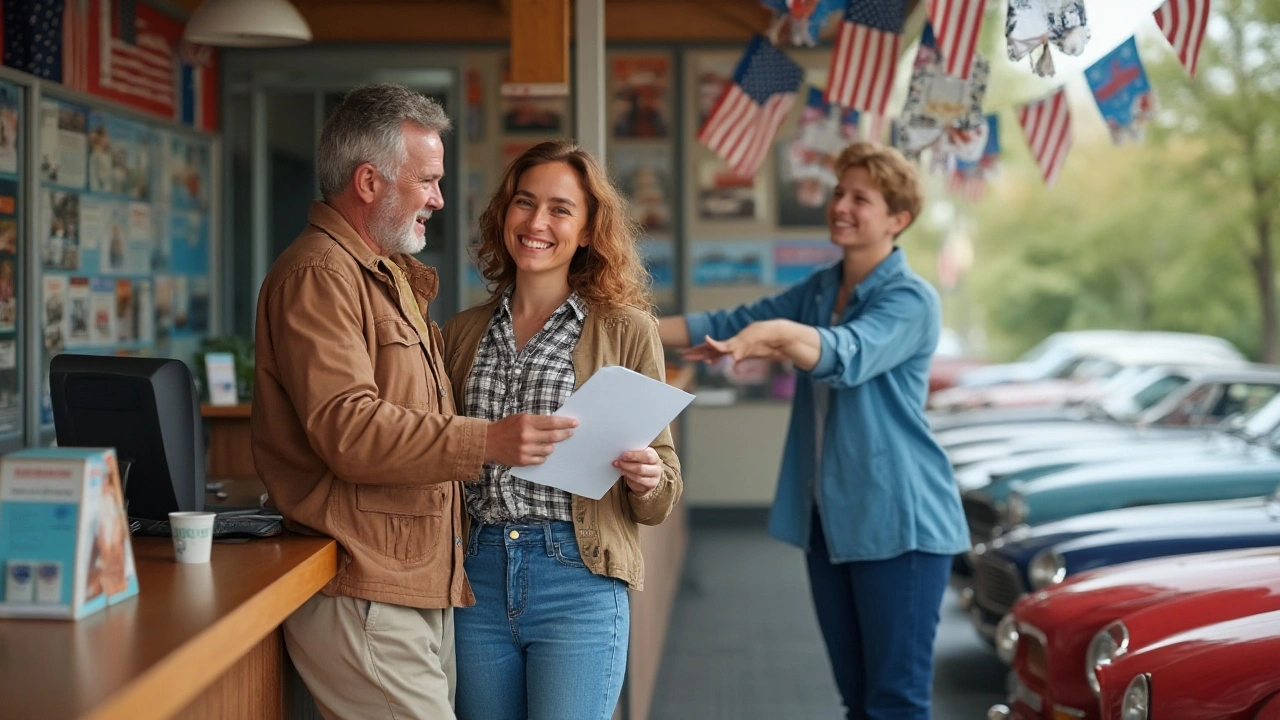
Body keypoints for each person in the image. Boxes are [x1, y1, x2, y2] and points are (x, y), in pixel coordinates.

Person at [251, 84, 578, 720]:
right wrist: (487, 441)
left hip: (409, 583)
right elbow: (347, 428)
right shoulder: (319, 274)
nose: (438, 198)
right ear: (369, 181)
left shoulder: (384, 272)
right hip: (366, 587)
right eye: (427, 180)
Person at [658, 141, 968, 720]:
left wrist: (777, 333)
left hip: (901, 524)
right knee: (856, 700)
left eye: (861, 198)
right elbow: (728, 323)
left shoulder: (911, 299)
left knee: (894, 703)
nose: (840, 205)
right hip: (830, 519)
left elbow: (845, 355)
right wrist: (630, 327)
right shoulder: (822, 289)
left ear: (898, 220)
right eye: (837, 192)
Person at [442, 140, 682, 720]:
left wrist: (648, 478)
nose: (537, 222)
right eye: (525, 203)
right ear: (504, 214)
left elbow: (663, 490)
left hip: (578, 578)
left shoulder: (627, 330)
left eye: (560, 209)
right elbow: (440, 453)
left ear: (588, 230)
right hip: (476, 577)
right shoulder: (459, 333)